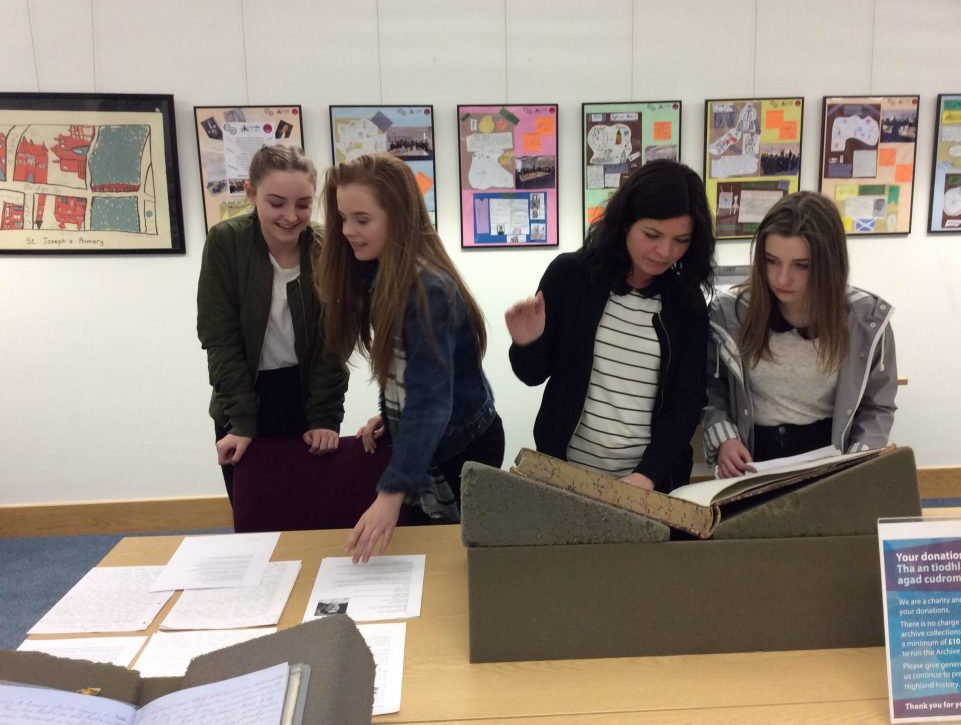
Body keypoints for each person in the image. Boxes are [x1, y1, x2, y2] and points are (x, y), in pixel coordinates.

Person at [317, 153, 503, 562]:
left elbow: (433, 402)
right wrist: (394, 416)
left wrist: (390, 494)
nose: (348, 231)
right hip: (441, 436)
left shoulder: (428, 291)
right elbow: (416, 378)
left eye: (362, 220)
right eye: (343, 218)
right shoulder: (385, 274)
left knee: (451, 560)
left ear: (398, 217)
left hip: (462, 450)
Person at [505, 160, 715, 493]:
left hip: (648, 482)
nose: (665, 251)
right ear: (625, 222)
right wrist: (527, 343)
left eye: (681, 240)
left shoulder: (686, 303)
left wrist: (648, 475)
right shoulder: (571, 275)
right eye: (652, 235)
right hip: (567, 474)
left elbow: (686, 402)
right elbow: (533, 375)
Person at [703, 191, 897, 478]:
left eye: (801, 265)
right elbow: (711, 389)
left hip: (830, 457)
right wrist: (724, 439)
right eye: (771, 261)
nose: (782, 278)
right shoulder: (730, 313)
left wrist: (857, 462)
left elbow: (877, 405)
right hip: (753, 458)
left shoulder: (866, 320)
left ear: (830, 264)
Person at [197, 145, 348, 503]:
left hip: (306, 394)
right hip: (242, 395)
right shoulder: (226, 242)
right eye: (276, 203)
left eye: (303, 204)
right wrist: (242, 422)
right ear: (251, 193)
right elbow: (220, 338)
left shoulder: (326, 246)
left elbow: (334, 340)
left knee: (309, 509)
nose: (291, 216)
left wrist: (325, 416)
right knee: (253, 514)